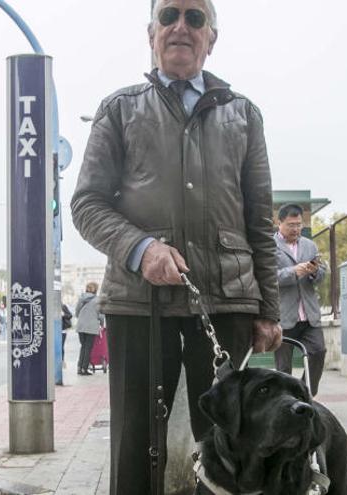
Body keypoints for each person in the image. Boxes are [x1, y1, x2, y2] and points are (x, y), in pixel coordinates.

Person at [70, 0, 282, 491]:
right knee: (134, 439)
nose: (180, 27)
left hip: (227, 299)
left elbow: (258, 218)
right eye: (169, 16)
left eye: (194, 17)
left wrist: (269, 309)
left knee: (231, 444)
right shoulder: (118, 109)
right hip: (137, 303)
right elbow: (87, 204)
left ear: (212, 36)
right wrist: (140, 248)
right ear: (151, 33)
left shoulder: (244, 114)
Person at [273, 203, 328, 396]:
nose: (296, 229)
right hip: (284, 317)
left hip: (309, 316)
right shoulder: (270, 246)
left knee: (318, 352)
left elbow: (322, 274)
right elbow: (267, 278)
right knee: (283, 367)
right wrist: (293, 272)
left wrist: (315, 272)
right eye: (291, 225)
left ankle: (304, 393)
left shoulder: (309, 245)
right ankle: (284, 401)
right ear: (279, 223)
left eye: (299, 224)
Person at [74, 282, 103, 376]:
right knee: (88, 348)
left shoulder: (81, 298)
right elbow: (100, 314)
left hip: (81, 325)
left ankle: (79, 367)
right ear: (95, 289)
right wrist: (102, 324)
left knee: (83, 347)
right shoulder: (97, 300)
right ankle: (84, 369)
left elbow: (77, 312)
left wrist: (82, 317)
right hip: (91, 326)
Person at [61, 303, 73, 368]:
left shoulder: (63, 306)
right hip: (53, 330)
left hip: (62, 330)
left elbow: (70, 315)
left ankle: (62, 361)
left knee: (61, 346)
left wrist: (63, 315)